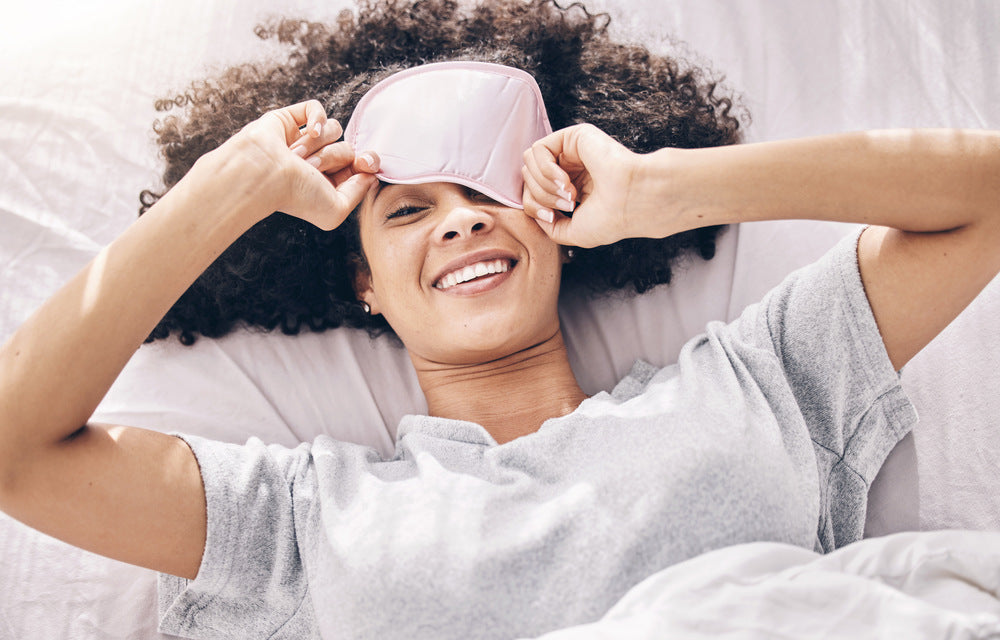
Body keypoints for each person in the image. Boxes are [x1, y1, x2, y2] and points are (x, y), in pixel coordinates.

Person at [0, 1, 998, 638]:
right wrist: (221, 195)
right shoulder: (302, 519)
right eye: (408, 209)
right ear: (363, 285)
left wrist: (663, 189)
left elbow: (985, 195)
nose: (464, 216)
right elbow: (17, 452)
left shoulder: (755, 381)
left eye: (486, 187)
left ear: (558, 224)